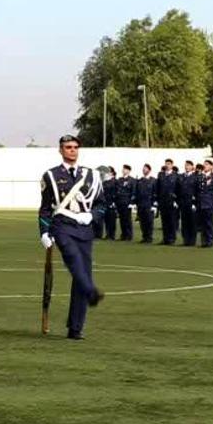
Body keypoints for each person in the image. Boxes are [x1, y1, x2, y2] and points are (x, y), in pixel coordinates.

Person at [38, 134, 105, 340]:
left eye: (75, 147)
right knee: (73, 258)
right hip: (62, 226)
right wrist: (44, 233)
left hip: (84, 229)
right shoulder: (50, 176)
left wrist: (91, 216)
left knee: (82, 274)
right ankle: (91, 291)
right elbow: (45, 209)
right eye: (68, 147)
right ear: (61, 150)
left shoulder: (92, 176)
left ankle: (75, 327)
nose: (72, 150)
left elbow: (101, 205)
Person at [156, 158, 179, 245]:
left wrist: (176, 200)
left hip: (171, 201)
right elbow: (158, 188)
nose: (167, 165)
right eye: (166, 163)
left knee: (171, 220)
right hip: (163, 200)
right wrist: (157, 200)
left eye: (169, 164)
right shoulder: (161, 175)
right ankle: (165, 238)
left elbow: (178, 189)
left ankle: (172, 238)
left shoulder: (176, 175)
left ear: (172, 165)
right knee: (164, 220)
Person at [196, 162, 213, 248]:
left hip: (209, 203)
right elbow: (197, 190)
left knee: (209, 224)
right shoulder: (200, 176)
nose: (205, 166)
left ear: (211, 166)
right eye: (204, 164)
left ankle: (209, 241)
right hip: (200, 203)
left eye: (207, 164)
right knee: (202, 224)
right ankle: (204, 241)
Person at [178, 160, 199, 247]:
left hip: (192, 202)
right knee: (184, 222)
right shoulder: (181, 177)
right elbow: (178, 189)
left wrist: (195, 203)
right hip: (183, 202)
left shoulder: (195, 177)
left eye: (188, 165)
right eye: (186, 165)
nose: (186, 167)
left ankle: (192, 240)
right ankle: (186, 240)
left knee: (192, 222)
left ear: (192, 167)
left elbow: (197, 191)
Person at [135, 164, 157, 244]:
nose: (144, 170)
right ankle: (144, 237)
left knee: (149, 222)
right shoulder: (140, 181)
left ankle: (149, 237)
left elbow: (155, 193)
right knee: (142, 222)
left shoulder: (153, 181)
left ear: (149, 170)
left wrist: (154, 205)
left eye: (145, 169)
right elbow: (137, 193)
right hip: (141, 204)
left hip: (149, 204)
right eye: (143, 169)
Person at [115, 165, 136, 241]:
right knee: (122, 219)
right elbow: (117, 191)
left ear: (128, 171)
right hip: (120, 201)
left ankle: (129, 235)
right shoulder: (120, 180)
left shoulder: (132, 180)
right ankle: (123, 235)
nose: (123, 171)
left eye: (125, 169)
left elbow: (133, 192)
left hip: (127, 202)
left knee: (127, 219)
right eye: (123, 169)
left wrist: (131, 202)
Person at [101, 167, 117, 240]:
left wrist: (114, 201)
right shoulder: (105, 182)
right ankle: (108, 234)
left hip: (112, 202)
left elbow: (116, 192)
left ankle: (112, 235)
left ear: (112, 173)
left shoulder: (115, 181)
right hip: (106, 202)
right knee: (106, 219)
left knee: (112, 220)